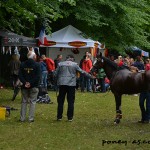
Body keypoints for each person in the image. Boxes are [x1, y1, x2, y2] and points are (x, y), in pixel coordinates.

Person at [54, 54, 93, 122]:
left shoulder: (60, 64)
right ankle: (70, 117)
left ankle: (59, 116)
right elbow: (82, 72)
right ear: (72, 59)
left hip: (62, 84)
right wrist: (90, 76)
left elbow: (55, 74)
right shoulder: (74, 64)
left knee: (60, 101)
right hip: (71, 84)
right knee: (71, 101)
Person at [19, 51, 41, 122]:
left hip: (24, 86)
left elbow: (20, 75)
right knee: (32, 102)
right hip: (34, 86)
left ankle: (22, 118)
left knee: (24, 101)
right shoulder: (37, 65)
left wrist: (25, 82)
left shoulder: (22, 64)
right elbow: (38, 76)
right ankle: (30, 118)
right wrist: (30, 83)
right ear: (34, 57)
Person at [138, 58, 150, 123]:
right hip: (143, 90)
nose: (146, 67)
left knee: (148, 105)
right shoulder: (143, 74)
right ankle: (143, 117)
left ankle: (147, 119)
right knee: (141, 104)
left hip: (148, 91)